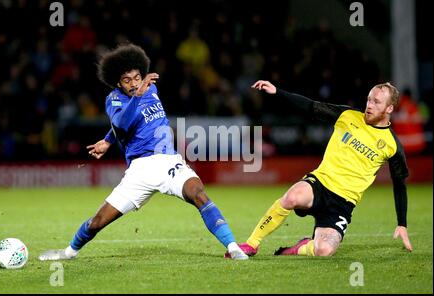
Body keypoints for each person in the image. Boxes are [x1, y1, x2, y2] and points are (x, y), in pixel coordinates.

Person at [39, 43, 248, 261]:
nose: (133, 83)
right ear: (118, 82)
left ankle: (233, 248)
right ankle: (69, 252)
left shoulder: (152, 89)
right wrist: (119, 127)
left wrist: (109, 140)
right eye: (126, 80)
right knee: (98, 221)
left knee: (198, 193)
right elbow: (122, 122)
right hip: (140, 170)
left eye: (136, 77)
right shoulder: (114, 99)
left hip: (169, 161)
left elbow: (135, 121)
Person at [225, 80, 412, 258]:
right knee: (291, 197)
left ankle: (299, 248)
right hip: (320, 184)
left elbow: (399, 184)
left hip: (343, 204)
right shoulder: (347, 116)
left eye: (376, 102)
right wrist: (278, 93)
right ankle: (252, 244)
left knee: (324, 251)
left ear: (389, 109)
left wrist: (402, 224)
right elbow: (310, 106)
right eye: (369, 99)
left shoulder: (392, 145)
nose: (369, 105)